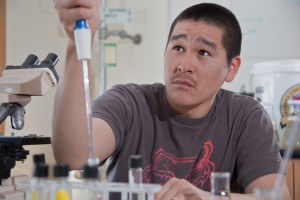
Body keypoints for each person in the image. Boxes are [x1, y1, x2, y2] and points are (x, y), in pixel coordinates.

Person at [52, 0, 291, 199]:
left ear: (232, 68)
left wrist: (208, 197)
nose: (184, 65)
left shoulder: (245, 116)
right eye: (177, 47)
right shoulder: (129, 103)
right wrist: (76, 44)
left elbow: (275, 197)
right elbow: (74, 155)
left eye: (203, 52)